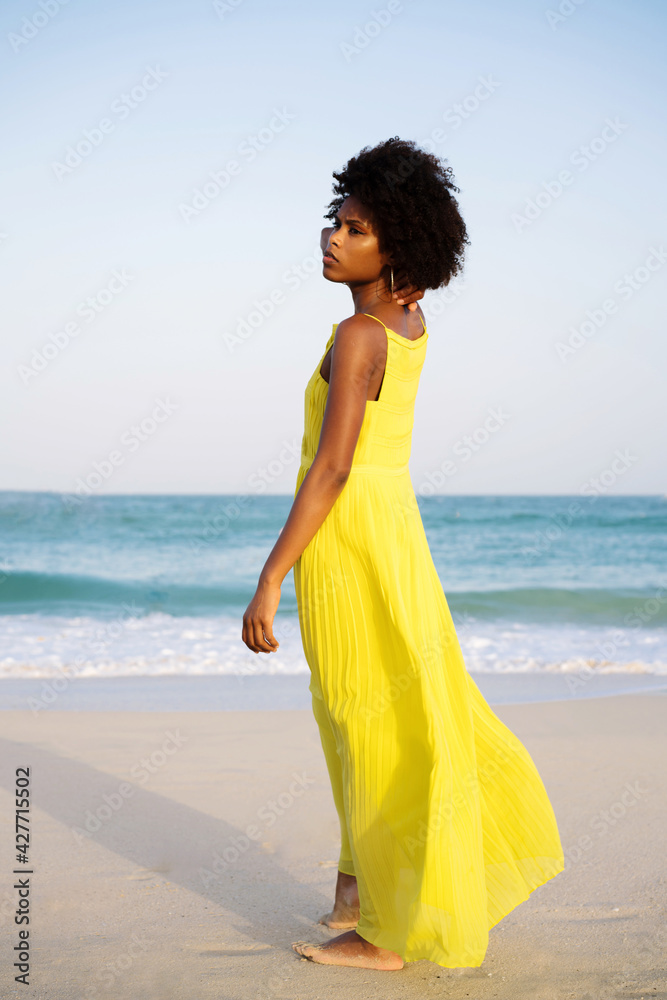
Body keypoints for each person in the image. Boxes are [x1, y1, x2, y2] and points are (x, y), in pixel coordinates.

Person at [242, 137, 564, 972]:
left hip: (353, 538)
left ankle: (386, 933)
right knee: (370, 713)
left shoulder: (358, 334)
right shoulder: (407, 320)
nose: (331, 240)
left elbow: (335, 464)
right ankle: (359, 887)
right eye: (334, 223)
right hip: (392, 532)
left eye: (354, 230)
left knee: (365, 720)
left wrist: (272, 573)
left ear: (398, 248)